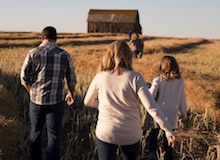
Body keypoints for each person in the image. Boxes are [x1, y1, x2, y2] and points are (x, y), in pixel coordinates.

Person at [83, 40, 175, 160]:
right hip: (130, 134)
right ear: (128, 56)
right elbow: (151, 107)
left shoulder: (100, 77)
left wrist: (103, 104)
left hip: (106, 132)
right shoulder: (135, 78)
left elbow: (87, 101)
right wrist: (167, 130)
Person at [20, 26, 76, 160]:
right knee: (54, 135)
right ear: (56, 39)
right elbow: (71, 79)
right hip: (56, 102)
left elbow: (24, 78)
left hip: (36, 101)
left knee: (35, 133)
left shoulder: (33, 53)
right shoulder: (64, 55)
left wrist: (31, 92)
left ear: (42, 38)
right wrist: (71, 94)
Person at [146, 55, 187, 160]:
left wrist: (146, 89)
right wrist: (184, 113)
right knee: (169, 139)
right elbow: (182, 100)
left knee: (153, 134)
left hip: (158, 114)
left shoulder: (158, 80)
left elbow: (150, 96)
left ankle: (152, 153)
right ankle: (168, 157)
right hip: (172, 115)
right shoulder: (180, 82)